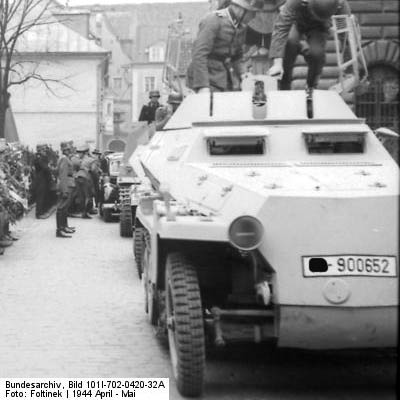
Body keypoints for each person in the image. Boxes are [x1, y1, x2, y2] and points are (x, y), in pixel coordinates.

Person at [268, 0, 351, 90]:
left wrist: (348, 70)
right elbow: (281, 27)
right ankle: (284, 85)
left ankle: (311, 86)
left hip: (320, 27)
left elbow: (346, 37)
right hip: (296, 20)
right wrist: (277, 63)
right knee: (290, 41)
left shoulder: (341, 4)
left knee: (317, 53)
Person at [186, 0, 264, 93]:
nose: (254, 16)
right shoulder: (214, 19)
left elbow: (237, 56)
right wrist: (202, 85)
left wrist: (243, 73)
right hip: (205, 77)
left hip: (222, 77)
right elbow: (199, 54)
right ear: (240, 9)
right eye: (252, 12)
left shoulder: (241, 26)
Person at [55, 142, 76, 238]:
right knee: (61, 208)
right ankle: (59, 230)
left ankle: (64, 226)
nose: (69, 150)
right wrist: (64, 190)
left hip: (68, 183)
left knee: (65, 207)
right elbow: (63, 175)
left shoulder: (65, 158)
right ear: (64, 150)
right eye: (67, 149)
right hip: (66, 184)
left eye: (69, 149)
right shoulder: (64, 159)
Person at [33, 144, 52, 219]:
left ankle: (42, 211)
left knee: (43, 195)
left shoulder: (41, 157)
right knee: (40, 196)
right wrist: (49, 167)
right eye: (43, 150)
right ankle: (39, 214)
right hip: (40, 179)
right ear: (40, 151)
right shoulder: (39, 158)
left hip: (42, 178)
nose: (45, 151)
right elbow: (45, 168)